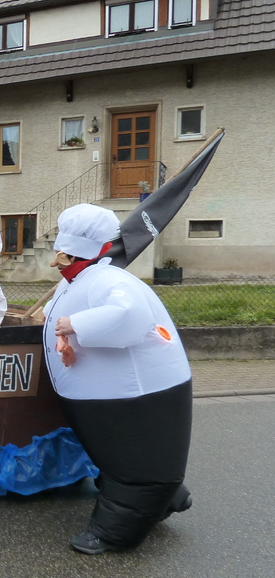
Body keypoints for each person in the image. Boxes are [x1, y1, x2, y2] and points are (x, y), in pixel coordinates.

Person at [43, 203, 193, 555]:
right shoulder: (82, 280)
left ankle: (114, 532)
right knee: (124, 459)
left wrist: (76, 324)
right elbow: (57, 310)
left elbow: (130, 316)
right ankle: (169, 496)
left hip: (134, 392)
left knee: (136, 470)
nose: (59, 263)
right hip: (105, 393)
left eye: (64, 256)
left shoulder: (110, 280)